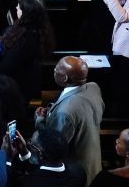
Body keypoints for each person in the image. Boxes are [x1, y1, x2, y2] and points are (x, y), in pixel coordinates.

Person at [35, 56, 105, 184]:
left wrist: (40, 121)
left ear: (65, 78)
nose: (54, 71)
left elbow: (52, 147)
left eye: (56, 70)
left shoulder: (65, 112)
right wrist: (51, 111)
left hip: (76, 174)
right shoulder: (93, 88)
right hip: (93, 164)